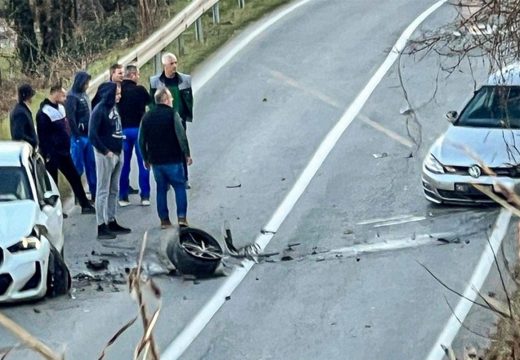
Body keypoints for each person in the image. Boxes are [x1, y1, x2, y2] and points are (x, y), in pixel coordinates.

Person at [36, 85, 95, 214]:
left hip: (64, 151)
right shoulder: (44, 113)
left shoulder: (61, 108)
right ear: (54, 94)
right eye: (63, 95)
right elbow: (43, 136)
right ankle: (57, 211)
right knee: (53, 183)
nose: (65, 98)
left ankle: (84, 204)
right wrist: (47, 154)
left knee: (74, 176)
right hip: (53, 153)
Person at [139, 87, 192, 229]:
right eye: (171, 98)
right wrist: (187, 153)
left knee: (161, 189)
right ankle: (181, 218)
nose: (172, 100)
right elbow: (181, 135)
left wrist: (145, 158)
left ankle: (164, 220)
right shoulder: (172, 114)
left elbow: (141, 140)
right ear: (166, 99)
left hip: (156, 161)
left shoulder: (147, 117)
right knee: (179, 187)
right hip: (173, 159)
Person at [89, 82, 131, 240]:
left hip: (118, 152)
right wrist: (106, 151)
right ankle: (101, 225)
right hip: (105, 154)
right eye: (117, 94)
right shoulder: (99, 110)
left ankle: (112, 220)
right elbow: (92, 135)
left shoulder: (114, 107)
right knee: (103, 191)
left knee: (114, 189)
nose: (119, 96)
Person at [149, 52, 193, 188]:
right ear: (164, 66)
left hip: (178, 119)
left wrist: (185, 116)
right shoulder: (155, 81)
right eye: (171, 63)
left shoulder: (184, 79)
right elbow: (152, 102)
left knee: (181, 147)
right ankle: (166, 180)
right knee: (163, 147)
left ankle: (184, 178)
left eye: (175, 63)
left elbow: (189, 99)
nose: (174, 66)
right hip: (162, 120)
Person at [118, 64, 152, 207]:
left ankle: (123, 196)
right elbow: (150, 104)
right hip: (138, 130)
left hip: (123, 131)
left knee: (124, 165)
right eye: (137, 74)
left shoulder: (119, 91)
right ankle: (145, 196)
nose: (138, 77)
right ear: (132, 75)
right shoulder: (140, 90)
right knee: (143, 162)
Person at [66, 71, 97, 202]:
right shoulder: (72, 97)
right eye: (86, 83)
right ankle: (79, 196)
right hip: (78, 137)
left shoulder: (84, 94)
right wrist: (76, 135)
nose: (87, 85)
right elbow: (71, 118)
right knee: (78, 168)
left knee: (91, 165)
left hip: (88, 135)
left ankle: (94, 192)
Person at [10, 84, 38, 148]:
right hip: (24, 150)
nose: (33, 98)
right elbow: (18, 135)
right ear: (27, 96)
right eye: (32, 95)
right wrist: (33, 141)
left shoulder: (24, 109)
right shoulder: (20, 113)